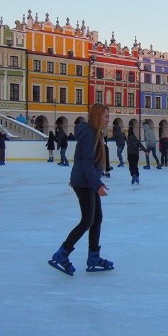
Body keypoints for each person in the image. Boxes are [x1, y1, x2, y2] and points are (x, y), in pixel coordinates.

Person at [49, 103, 114, 276]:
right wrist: (97, 184)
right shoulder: (90, 134)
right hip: (83, 182)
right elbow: (86, 161)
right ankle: (62, 253)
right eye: (106, 116)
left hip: (88, 181)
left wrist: (96, 182)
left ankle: (94, 256)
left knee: (97, 218)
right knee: (87, 220)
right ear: (98, 116)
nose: (109, 119)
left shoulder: (94, 133)